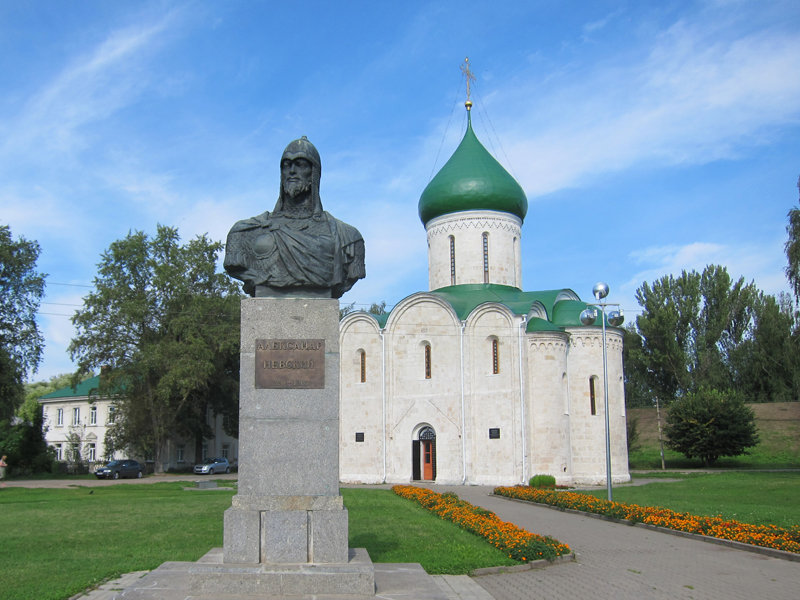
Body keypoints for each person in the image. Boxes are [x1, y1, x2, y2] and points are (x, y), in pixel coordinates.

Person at [224, 136, 365, 298]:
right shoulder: (244, 232)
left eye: (300, 165)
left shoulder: (348, 238)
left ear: (314, 174)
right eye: (286, 165)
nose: (292, 171)